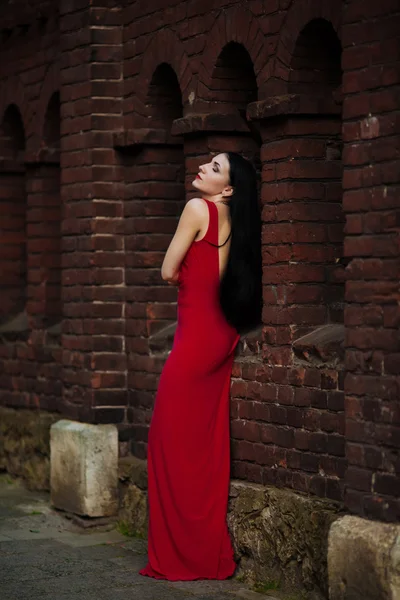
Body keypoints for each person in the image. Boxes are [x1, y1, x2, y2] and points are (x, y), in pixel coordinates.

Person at [139, 152, 262, 581]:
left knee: (168, 444)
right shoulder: (239, 223)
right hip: (220, 337)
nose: (203, 168)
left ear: (227, 188)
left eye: (214, 168)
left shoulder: (197, 209)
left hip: (194, 344)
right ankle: (203, 552)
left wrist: (186, 270)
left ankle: (182, 556)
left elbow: (167, 270)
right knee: (203, 447)